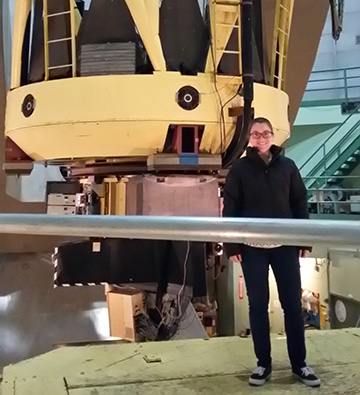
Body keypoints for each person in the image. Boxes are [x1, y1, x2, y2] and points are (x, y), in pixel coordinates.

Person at [223, 117, 320, 387]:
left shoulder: (288, 167)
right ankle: (263, 365)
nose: (261, 138)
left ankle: (300, 365)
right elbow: (230, 207)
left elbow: (299, 202)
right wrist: (231, 245)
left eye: (265, 133)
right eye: (255, 134)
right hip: (252, 249)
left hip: (285, 246)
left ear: (273, 136)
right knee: (257, 306)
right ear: (249, 138)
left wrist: (304, 240)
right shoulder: (239, 169)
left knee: (292, 304)